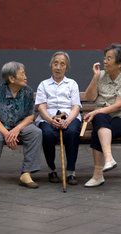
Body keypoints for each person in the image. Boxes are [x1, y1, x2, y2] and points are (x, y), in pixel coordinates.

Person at [82, 43, 121, 187]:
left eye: (109, 58)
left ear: (119, 63)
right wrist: (95, 77)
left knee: (98, 128)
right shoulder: (101, 75)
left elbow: (118, 105)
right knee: (100, 120)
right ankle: (109, 159)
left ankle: (98, 175)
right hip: (104, 117)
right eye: (105, 58)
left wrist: (95, 111)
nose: (104, 61)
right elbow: (89, 97)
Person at [0, 61, 42, 189]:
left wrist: (16, 129)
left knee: (35, 133)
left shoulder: (27, 91)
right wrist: (7, 133)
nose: (26, 76)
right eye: (22, 74)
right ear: (11, 78)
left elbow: (30, 116)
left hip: (21, 125)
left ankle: (26, 173)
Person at [35, 51, 82, 185]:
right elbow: (41, 107)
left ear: (66, 67)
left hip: (69, 117)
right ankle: (52, 170)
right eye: (55, 63)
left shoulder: (72, 84)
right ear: (51, 66)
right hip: (48, 117)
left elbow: (76, 107)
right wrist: (50, 120)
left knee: (72, 132)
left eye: (62, 64)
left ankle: (71, 172)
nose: (58, 67)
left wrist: (67, 121)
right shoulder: (43, 84)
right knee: (47, 133)